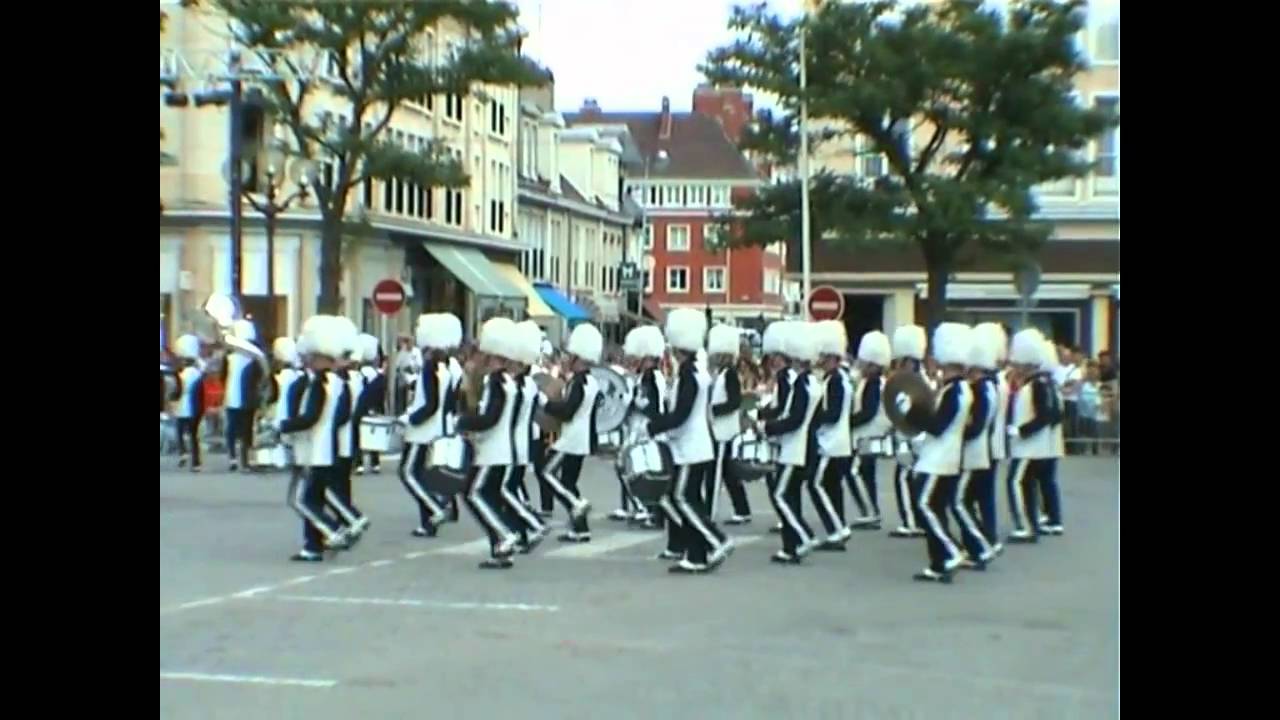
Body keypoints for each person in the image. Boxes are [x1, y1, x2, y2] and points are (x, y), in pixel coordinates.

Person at [648, 309, 731, 573]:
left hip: (689, 448)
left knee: (682, 497)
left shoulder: (689, 375)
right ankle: (696, 556)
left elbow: (682, 413)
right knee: (691, 499)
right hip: (696, 445)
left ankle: (716, 539)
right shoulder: (698, 372)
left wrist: (655, 425)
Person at [276, 315, 353, 562]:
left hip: (313, 448)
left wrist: (283, 426)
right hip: (326, 447)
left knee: (301, 500)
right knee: (314, 499)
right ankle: (313, 546)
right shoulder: (337, 381)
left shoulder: (318, 383)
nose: (308, 359)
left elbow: (310, 417)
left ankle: (333, 531)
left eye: (313, 356)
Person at [902, 323, 974, 583]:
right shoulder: (953, 388)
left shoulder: (955, 391)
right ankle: (938, 563)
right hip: (942, 455)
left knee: (922, 505)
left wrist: (914, 412)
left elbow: (939, 425)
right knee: (935, 508)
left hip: (939, 457)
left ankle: (952, 550)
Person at [455, 318, 523, 569]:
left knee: (472, 493)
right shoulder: (509, 382)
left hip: (492, 452)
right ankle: (500, 551)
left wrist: (462, 422)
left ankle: (505, 535)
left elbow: (490, 418)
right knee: (490, 498)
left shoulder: (495, 382)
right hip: (502, 450)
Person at [761, 321, 821, 564]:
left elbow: (795, 418)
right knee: (791, 496)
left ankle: (804, 536)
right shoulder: (812, 383)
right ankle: (790, 547)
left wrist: (767, 427)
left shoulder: (801, 385)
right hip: (803, 446)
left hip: (795, 448)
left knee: (781, 495)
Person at [397, 313, 461, 539]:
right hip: (435, 429)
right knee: (423, 476)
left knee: (408, 474)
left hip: (421, 432)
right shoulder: (446, 369)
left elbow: (429, 405)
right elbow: (448, 402)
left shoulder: (429, 369)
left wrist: (409, 419)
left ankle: (434, 510)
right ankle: (429, 522)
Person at [539, 323, 603, 543]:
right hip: (581, 440)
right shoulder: (591, 381)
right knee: (568, 482)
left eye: (570, 355)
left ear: (579, 358)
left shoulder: (579, 382)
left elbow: (568, 411)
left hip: (571, 440)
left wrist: (546, 404)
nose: (566, 359)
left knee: (546, 473)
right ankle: (580, 528)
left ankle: (576, 504)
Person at [952, 324, 1000, 571]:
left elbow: (976, 424)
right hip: (981, 452)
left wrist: (957, 433)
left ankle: (980, 547)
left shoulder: (981, 389)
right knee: (971, 501)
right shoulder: (989, 386)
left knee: (959, 501)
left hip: (974, 453)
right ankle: (978, 543)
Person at [1005, 328, 1059, 544]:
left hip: (1029, 446)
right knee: (1027, 484)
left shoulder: (1037, 385)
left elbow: (1045, 414)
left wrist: (1021, 430)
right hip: (1031, 446)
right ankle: (1032, 522)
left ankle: (1025, 526)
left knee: (1015, 482)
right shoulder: (1037, 384)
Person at [503, 321, 550, 554]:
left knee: (507, 491)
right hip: (526, 440)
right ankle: (522, 533)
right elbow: (546, 405)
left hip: (513, 443)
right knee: (512, 489)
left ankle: (532, 525)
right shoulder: (531, 384)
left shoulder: (516, 386)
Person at [809, 320, 854, 551]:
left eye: (825, 357)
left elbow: (833, 414)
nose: (821, 361)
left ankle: (837, 529)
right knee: (832, 488)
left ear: (834, 358)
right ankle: (838, 526)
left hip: (830, 443)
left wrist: (812, 419)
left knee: (815, 485)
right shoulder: (840, 378)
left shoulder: (835, 381)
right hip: (839, 443)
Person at [612, 326, 665, 524]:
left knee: (639, 468)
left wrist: (634, 402)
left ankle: (644, 507)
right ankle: (634, 505)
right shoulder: (643, 376)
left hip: (646, 427)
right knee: (626, 465)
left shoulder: (654, 376)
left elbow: (655, 405)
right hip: (637, 426)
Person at [327, 318, 369, 542]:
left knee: (332, 485)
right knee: (341, 483)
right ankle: (344, 521)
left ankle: (350, 519)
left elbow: (341, 413)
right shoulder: (356, 378)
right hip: (349, 437)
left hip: (339, 438)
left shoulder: (342, 380)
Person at [847, 331, 892, 530]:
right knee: (866, 474)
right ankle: (870, 510)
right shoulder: (872, 382)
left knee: (854, 471)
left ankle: (870, 511)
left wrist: (848, 422)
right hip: (868, 435)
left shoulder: (873, 383)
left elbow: (868, 412)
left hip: (867, 435)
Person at [707, 324, 751, 525]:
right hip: (720, 430)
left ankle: (710, 511)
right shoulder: (721, 374)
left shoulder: (730, 375)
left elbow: (734, 402)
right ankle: (742, 509)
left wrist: (713, 410)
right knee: (728, 473)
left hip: (725, 431)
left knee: (715, 473)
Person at [888, 325, 929, 539]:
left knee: (904, 478)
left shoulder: (911, 383)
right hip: (917, 438)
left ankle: (911, 522)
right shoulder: (922, 380)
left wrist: (906, 443)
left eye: (902, 362)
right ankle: (916, 521)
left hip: (913, 439)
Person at [222, 320, 264, 472]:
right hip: (247, 399)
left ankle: (234, 458)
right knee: (246, 430)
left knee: (233, 429)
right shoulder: (254, 359)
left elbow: (223, 376)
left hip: (234, 398)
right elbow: (260, 379)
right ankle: (244, 460)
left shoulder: (229, 358)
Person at [172, 334, 205, 472]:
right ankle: (196, 462)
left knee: (180, 432)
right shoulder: (198, 374)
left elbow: (177, 391)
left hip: (182, 407)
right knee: (194, 436)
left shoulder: (180, 375)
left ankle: (183, 453)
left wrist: (172, 398)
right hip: (196, 408)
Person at [356, 334, 387, 475]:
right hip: (376, 407)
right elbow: (382, 394)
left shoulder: (359, 374)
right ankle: (375, 462)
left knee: (359, 434)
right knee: (374, 434)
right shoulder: (379, 375)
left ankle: (359, 462)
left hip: (362, 408)